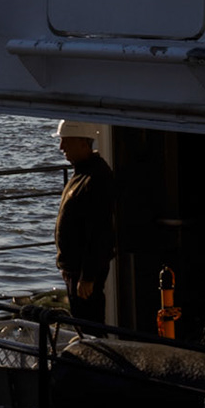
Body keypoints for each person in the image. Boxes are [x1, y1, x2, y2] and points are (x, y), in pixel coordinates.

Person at [53, 122, 119, 328]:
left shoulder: (96, 178)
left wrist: (88, 277)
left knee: (89, 323)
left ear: (83, 143)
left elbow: (100, 230)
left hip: (83, 272)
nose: (61, 147)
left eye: (66, 141)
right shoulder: (82, 174)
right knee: (82, 320)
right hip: (75, 269)